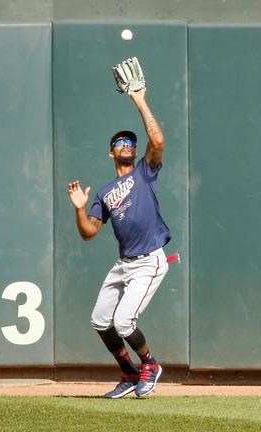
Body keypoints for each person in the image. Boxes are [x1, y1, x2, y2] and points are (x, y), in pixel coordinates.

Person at [67, 58, 170, 398]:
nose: (126, 144)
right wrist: (81, 210)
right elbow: (89, 232)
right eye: (119, 143)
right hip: (124, 263)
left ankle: (150, 365)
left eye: (130, 142)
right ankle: (128, 372)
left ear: (135, 151)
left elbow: (157, 141)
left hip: (148, 260)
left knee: (125, 323)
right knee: (100, 321)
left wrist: (139, 100)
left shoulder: (144, 172)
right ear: (111, 153)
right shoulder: (104, 193)